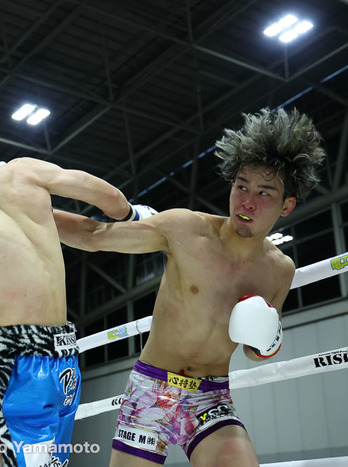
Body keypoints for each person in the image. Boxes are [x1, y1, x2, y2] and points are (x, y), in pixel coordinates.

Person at [53, 107, 325, 466]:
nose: (247, 201)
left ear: (287, 205)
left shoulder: (279, 270)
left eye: (264, 193)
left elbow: (254, 350)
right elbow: (94, 235)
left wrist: (268, 341)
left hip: (211, 399)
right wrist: (26, 211)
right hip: (151, 391)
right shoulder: (185, 229)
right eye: (241, 185)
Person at [0, 100, 156, 467]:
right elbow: (110, 198)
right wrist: (132, 215)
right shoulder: (25, 172)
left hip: (6, 364)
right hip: (64, 361)